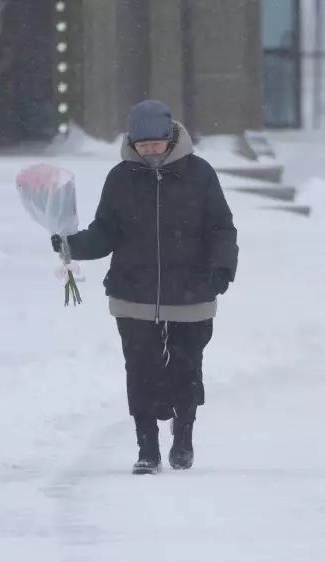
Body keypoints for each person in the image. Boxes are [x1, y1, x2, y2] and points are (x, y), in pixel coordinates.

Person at [51, 100, 238, 474]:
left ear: (170, 137)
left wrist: (222, 270)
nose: (149, 150)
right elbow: (105, 232)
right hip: (133, 292)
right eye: (142, 144)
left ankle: (183, 436)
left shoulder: (200, 174)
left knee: (186, 369)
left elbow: (221, 226)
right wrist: (73, 245)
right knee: (140, 370)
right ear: (132, 142)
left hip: (192, 291)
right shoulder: (120, 177)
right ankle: (147, 447)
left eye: (156, 143)